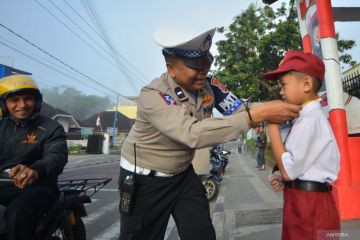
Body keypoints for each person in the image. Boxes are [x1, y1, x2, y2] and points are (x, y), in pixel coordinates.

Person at [118, 27, 301, 240]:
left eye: (207, 62)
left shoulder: (209, 85)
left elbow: (240, 109)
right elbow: (191, 133)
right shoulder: (153, 95)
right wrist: (255, 116)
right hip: (145, 179)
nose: (203, 71)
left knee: (202, 232)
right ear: (171, 68)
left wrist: (282, 106)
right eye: (195, 66)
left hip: (182, 175)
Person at [264, 50, 340, 240]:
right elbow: (302, 167)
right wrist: (284, 179)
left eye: (283, 85)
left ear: (306, 84)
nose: (280, 91)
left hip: (310, 206)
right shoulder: (305, 117)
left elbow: (290, 169)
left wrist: (272, 126)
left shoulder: (311, 120)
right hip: (302, 199)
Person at [0, 75, 68, 240]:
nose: (22, 105)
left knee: (18, 213)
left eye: (28, 99)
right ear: (4, 104)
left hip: (38, 186)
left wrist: (35, 170)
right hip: (4, 184)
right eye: (14, 100)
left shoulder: (51, 128)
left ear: (36, 101)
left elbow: (56, 155)